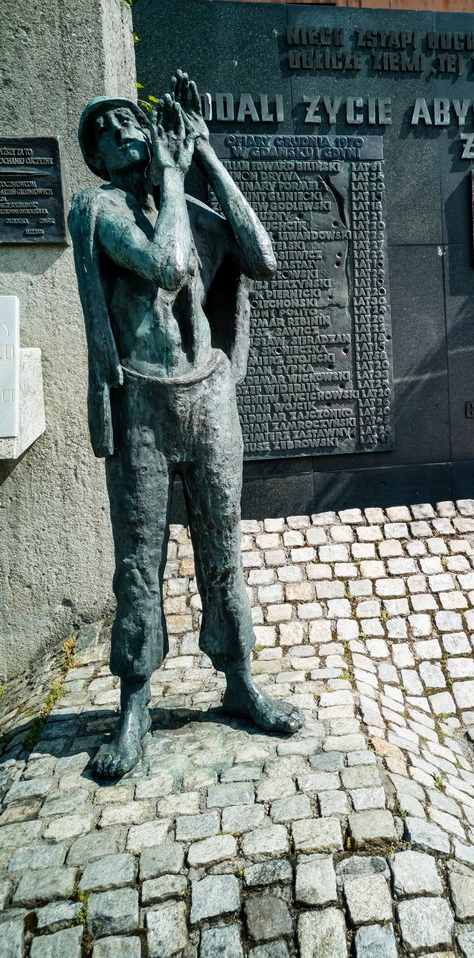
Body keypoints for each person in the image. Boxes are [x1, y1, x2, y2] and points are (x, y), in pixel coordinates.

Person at [69, 71, 303, 778]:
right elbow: (167, 268)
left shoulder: (186, 203)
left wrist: (204, 154)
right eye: (104, 131)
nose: (121, 132)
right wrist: (172, 175)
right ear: (96, 159)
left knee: (222, 548)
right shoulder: (102, 209)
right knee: (138, 561)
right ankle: (134, 703)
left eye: (128, 120)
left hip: (208, 400)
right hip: (142, 404)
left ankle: (239, 680)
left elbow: (262, 258)